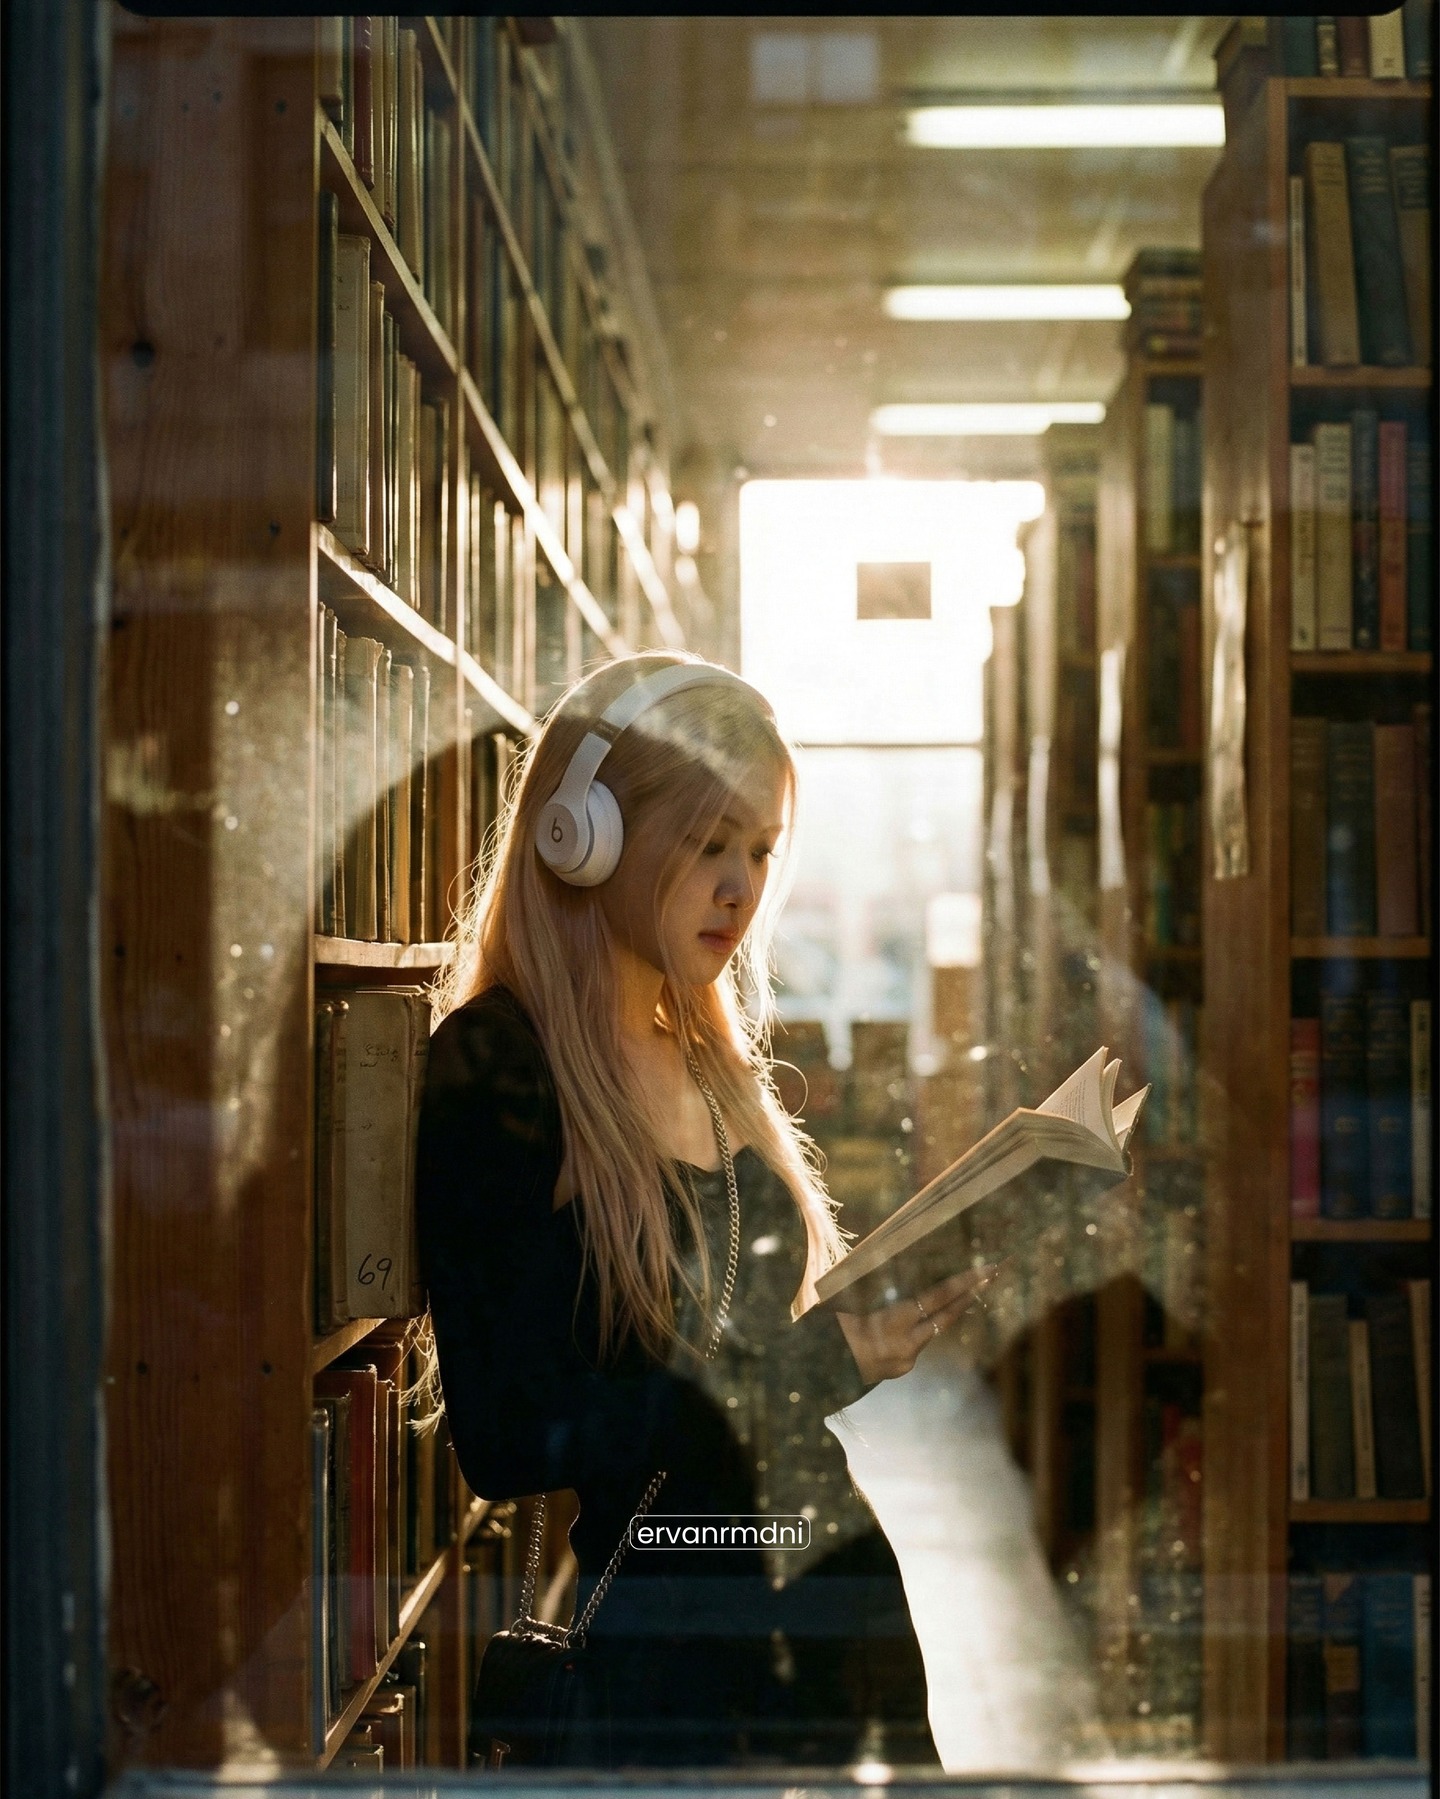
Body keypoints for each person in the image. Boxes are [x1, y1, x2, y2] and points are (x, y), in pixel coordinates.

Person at [413, 651, 986, 1769]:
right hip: (677, 1655)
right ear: (587, 835)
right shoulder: (500, 1065)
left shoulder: (711, 1055)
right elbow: (505, 1433)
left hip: (828, 1601)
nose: (742, 886)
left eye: (761, 849)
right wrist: (810, 1370)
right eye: (708, 843)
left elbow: (741, 1358)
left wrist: (858, 1327)